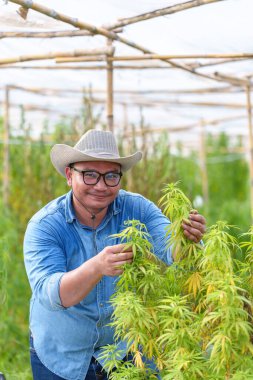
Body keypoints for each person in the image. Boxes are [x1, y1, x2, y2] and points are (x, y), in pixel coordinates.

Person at [24, 129, 206, 380]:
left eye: (111, 176)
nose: (100, 185)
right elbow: (51, 294)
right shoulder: (45, 225)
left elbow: (171, 251)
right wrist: (97, 267)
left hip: (123, 352)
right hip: (61, 353)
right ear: (69, 175)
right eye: (89, 175)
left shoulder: (137, 208)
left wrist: (186, 239)